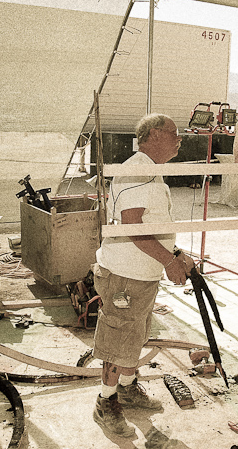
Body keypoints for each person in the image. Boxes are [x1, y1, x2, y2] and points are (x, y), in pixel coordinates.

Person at [91, 113, 195, 437]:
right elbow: (134, 227)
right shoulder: (137, 170)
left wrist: (175, 255)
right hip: (124, 274)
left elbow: (151, 227)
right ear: (152, 135)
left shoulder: (150, 172)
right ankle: (104, 403)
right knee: (118, 340)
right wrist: (169, 260)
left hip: (141, 274)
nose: (179, 139)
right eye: (174, 134)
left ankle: (126, 387)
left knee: (134, 337)